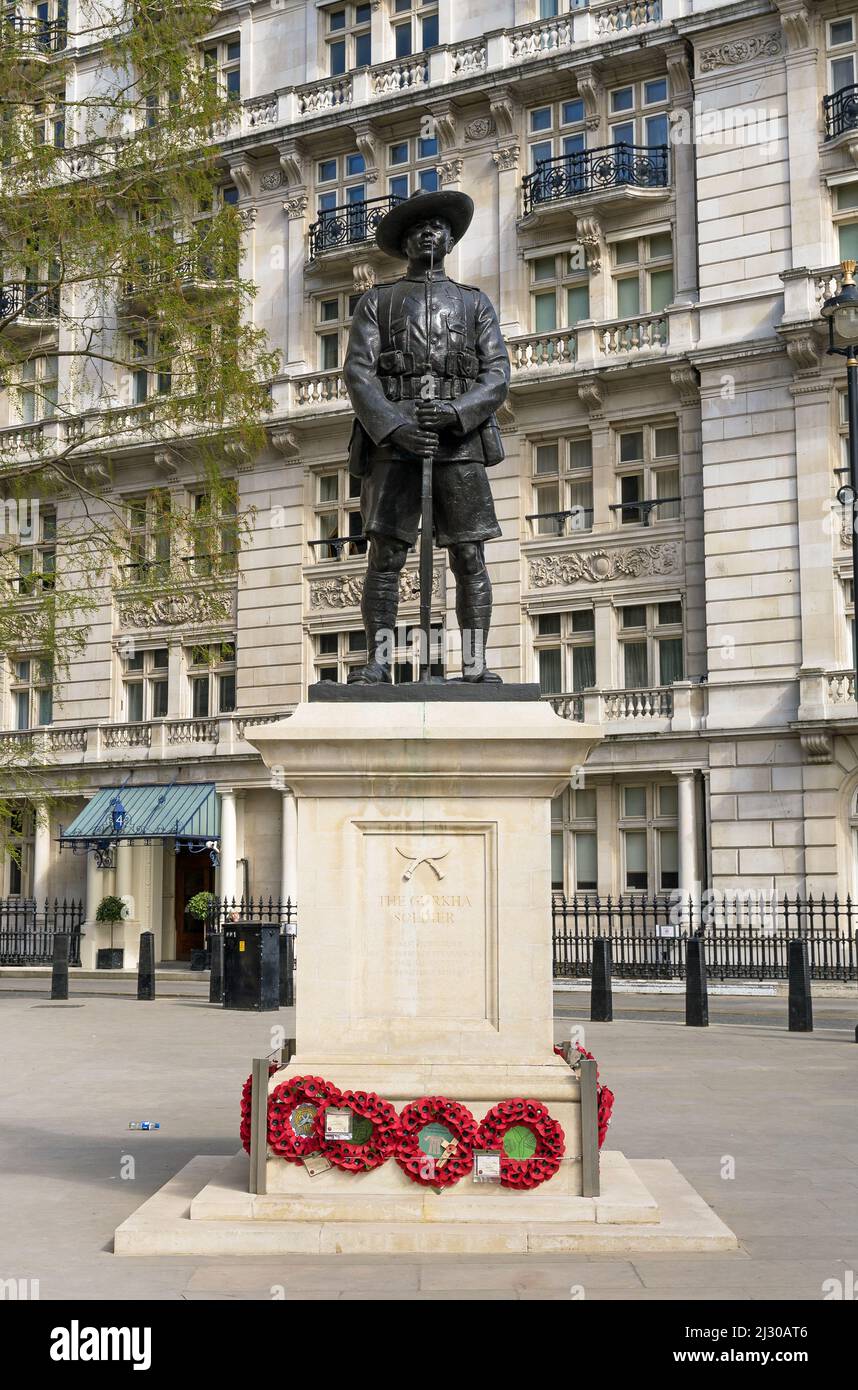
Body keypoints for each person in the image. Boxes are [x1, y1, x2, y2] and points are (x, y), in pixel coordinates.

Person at [343, 188, 510, 684]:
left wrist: (458, 412)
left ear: (452, 239)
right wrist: (396, 427)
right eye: (417, 229)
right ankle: (378, 660)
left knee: (468, 553)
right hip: (394, 445)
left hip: (460, 442)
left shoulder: (475, 304)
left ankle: (475, 662)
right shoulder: (377, 302)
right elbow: (358, 373)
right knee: (387, 553)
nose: (428, 233)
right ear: (405, 243)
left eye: (437, 227)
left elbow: (496, 374)